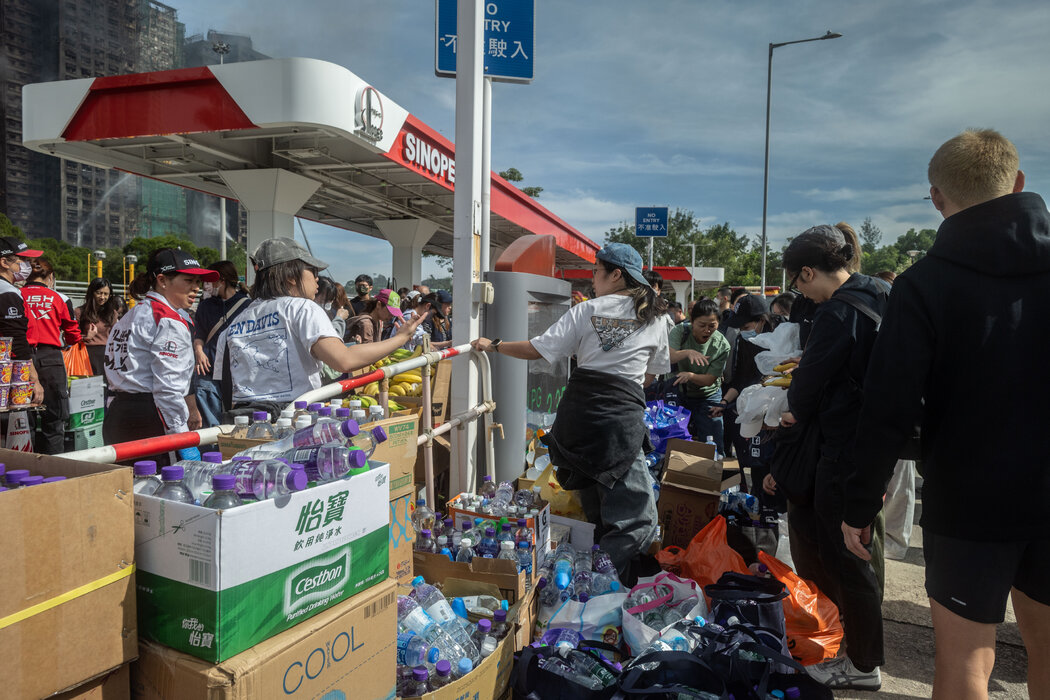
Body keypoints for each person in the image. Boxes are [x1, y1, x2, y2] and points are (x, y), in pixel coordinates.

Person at [843, 129, 1050, 699]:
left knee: (964, 664)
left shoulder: (924, 284)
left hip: (968, 501)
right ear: (1019, 183)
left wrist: (861, 502)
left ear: (936, 199)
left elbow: (888, 407)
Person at [472, 243, 669, 581]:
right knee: (638, 520)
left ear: (616, 274)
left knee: (597, 510)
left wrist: (495, 345)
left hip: (578, 418)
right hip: (618, 423)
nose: (593, 279)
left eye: (596, 271)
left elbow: (537, 349)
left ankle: (591, 578)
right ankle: (593, 581)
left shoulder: (586, 310)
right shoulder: (655, 317)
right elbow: (651, 375)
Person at [768, 225, 888, 690]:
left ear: (808, 271)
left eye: (800, 283)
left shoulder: (838, 313)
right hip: (874, 441)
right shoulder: (878, 292)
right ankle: (861, 653)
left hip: (842, 448)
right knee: (858, 547)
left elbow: (806, 391)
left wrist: (791, 408)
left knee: (846, 556)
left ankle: (861, 665)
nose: (803, 294)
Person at [215, 238, 423, 414]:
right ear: (290, 276)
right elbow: (344, 360)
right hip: (293, 419)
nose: (317, 279)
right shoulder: (302, 308)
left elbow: (226, 387)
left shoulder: (237, 321)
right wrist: (401, 338)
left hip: (244, 421)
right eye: (312, 270)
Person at [103, 248, 218, 465]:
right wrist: (182, 437)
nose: (196, 288)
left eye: (198, 282)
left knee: (125, 492)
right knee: (159, 491)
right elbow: (168, 390)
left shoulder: (130, 316)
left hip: (117, 413)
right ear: (162, 280)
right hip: (150, 417)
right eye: (189, 280)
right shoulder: (169, 320)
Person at [710, 294, 780, 506]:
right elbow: (740, 379)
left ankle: (768, 520)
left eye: (746, 325)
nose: (742, 330)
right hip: (750, 410)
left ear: (762, 320)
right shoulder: (743, 340)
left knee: (770, 474)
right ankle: (747, 511)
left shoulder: (782, 336)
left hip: (776, 413)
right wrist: (724, 402)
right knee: (749, 465)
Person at [22, 258, 81, 453]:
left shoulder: (15, 294)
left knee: (22, 421)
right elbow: (73, 334)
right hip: (51, 359)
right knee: (54, 420)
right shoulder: (59, 298)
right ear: (50, 277)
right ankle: (55, 473)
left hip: (20, 359)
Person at [192, 261, 250, 429]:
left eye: (210, 281)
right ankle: (211, 454)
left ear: (221, 281)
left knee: (236, 425)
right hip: (207, 371)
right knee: (210, 426)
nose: (206, 286)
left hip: (236, 375)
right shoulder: (205, 306)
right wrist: (199, 351)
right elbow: (200, 333)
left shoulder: (247, 306)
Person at [668, 298, 730, 455]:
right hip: (679, 393)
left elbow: (710, 379)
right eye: (702, 325)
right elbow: (670, 357)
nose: (707, 330)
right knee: (674, 442)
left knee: (712, 445)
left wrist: (690, 375)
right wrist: (688, 352)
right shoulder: (680, 331)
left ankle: (712, 475)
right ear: (692, 321)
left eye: (712, 326)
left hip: (708, 396)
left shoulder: (721, 345)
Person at [0, 237, 44, 409]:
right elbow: (16, 340)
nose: (27, 265)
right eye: (23, 260)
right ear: (4, 262)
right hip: (7, 374)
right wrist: (34, 379)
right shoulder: (7, 292)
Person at [76, 277, 122, 379]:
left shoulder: (112, 313)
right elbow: (68, 338)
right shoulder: (80, 312)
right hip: (85, 355)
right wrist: (85, 337)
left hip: (108, 356)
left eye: (106, 294)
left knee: (106, 390)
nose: (102, 297)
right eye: (99, 293)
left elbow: (117, 336)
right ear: (91, 293)